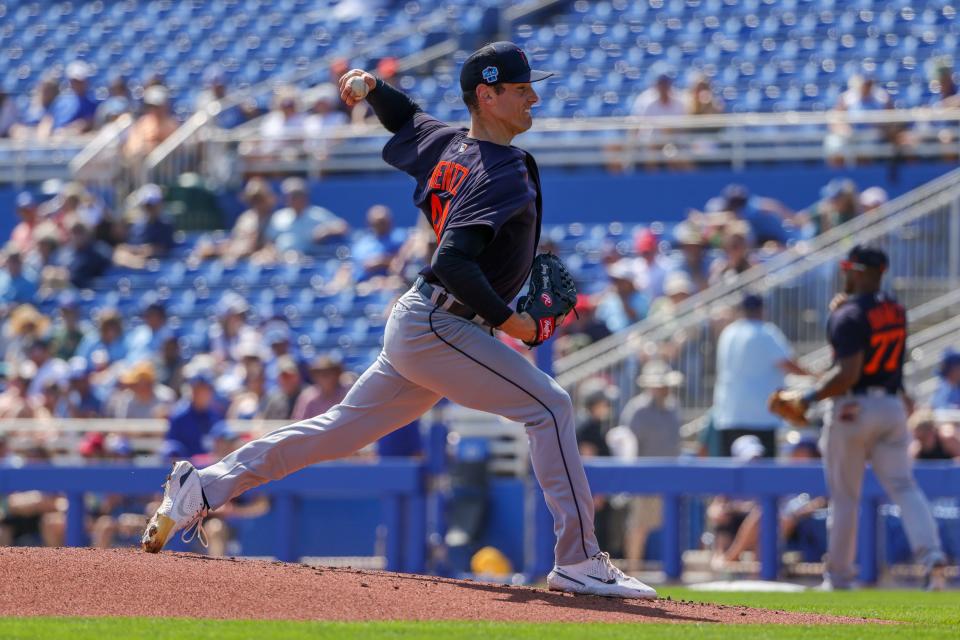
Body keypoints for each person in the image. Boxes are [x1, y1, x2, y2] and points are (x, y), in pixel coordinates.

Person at [142, 41, 655, 599]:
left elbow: (406, 117)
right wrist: (514, 325)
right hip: (443, 324)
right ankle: (578, 558)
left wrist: (371, 89)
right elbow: (453, 261)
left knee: (335, 430)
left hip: (423, 323)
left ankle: (202, 487)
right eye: (520, 87)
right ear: (487, 95)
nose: (533, 95)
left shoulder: (450, 144)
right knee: (551, 407)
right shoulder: (498, 172)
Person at [773, 245, 947, 590]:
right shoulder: (896, 311)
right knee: (903, 486)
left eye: (848, 269)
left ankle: (838, 577)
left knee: (844, 496)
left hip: (854, 407)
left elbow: (848, 373)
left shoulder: (848, 314)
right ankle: (931, 556)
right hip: (891, 406)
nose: (845, 275)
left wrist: (808, 397)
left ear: (860, 272)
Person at [713, 293, 805, 457]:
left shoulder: (728, 332)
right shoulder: (765, 332)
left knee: (728, 479)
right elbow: (786, 364)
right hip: (760, 418)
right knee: (763, 478)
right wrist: (816, 376)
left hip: (729, 415)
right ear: (762, 310)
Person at [618, 360, 684, 569]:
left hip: (670, 475)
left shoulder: (674, 407)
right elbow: (627, 445)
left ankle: (672, 570)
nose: (663, 388)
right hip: (643, 476)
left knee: (673, 525)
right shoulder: (637, 410)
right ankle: (634, 569)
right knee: (639, 526)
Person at [267, 177, 349, 254]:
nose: (292, 199)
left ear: (305, 197)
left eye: (296, 195)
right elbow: (269, 242)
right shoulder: (278, 217)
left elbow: (343, 226)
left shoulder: (317, 214)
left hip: (308, 260)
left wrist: (325, 230)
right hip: (280, 261)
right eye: (289, 196)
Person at [291, 354, 349, 421]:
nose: (323, 377)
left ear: (336, 374)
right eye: (318, 373)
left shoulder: (346, 394)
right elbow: (298, 423)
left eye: (327, 373)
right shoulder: (307, 397)